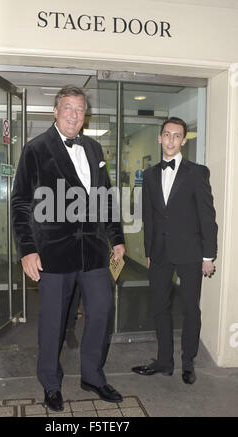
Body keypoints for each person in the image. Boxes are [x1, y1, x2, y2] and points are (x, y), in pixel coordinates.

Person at [11, 85, 125, 411]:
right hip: (53, 253)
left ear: (84, 113)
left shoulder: (94, 148)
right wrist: (27, 249)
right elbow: (20, 204)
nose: (74, 115)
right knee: (53, 322)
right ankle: (50, 381)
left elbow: (106, 197)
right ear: (56, 112)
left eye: (79, 109)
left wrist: (115, 237)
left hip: (93, 251)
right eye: (68, 108)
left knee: (102, 311)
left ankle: (92, 375)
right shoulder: (35, 149)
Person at [132, 117, 217, 385]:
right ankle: (164, 361)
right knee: (160, 307)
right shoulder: (149, 175)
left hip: (191, 252)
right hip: (159, 251)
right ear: (160, 138)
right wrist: (148, 249)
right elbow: (149, 216)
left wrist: (208, 255)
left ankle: (187, 361)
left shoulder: (197, 172)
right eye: (166, 135)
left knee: (191, 309)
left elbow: (207, 216)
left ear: (183, 140)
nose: (170, 140)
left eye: (176, 136)